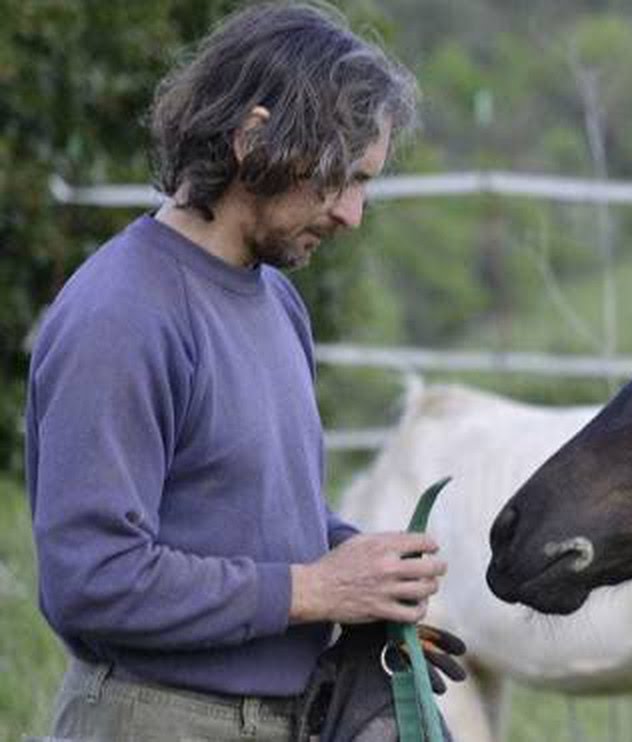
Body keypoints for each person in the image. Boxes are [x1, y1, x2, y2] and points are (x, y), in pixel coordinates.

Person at [24, 3, 448, 739]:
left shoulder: (276, 301)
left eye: (366, 184)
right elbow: (90, 579)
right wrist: (315, 590)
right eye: (339, 179)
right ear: (254, 139)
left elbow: (250, 509)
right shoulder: (122, 316)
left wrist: (362, 568)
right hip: (155, 720)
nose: (351, 213)